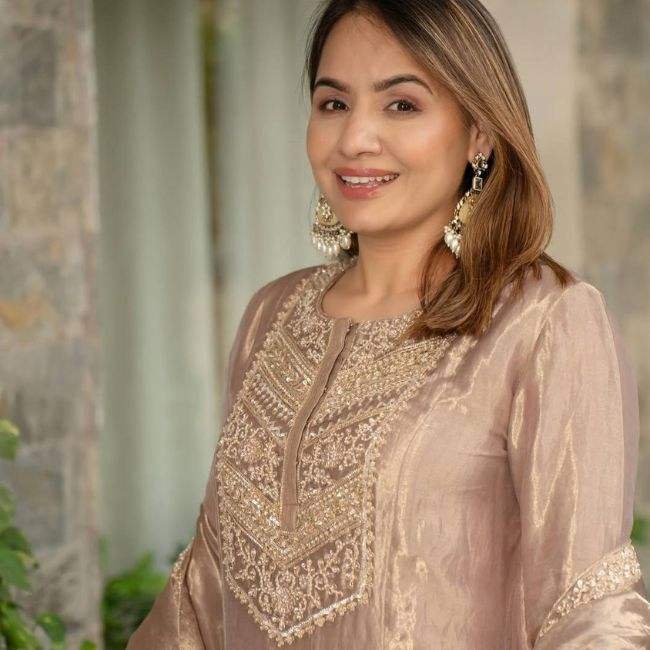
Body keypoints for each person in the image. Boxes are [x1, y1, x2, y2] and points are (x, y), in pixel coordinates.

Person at [127, 0, 650, 647]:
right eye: (333, 103)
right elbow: (203, 595)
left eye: (402, 104)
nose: (355, 139)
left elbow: (589, 607)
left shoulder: (544, 321)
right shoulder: (272, 316)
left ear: (480, 132)